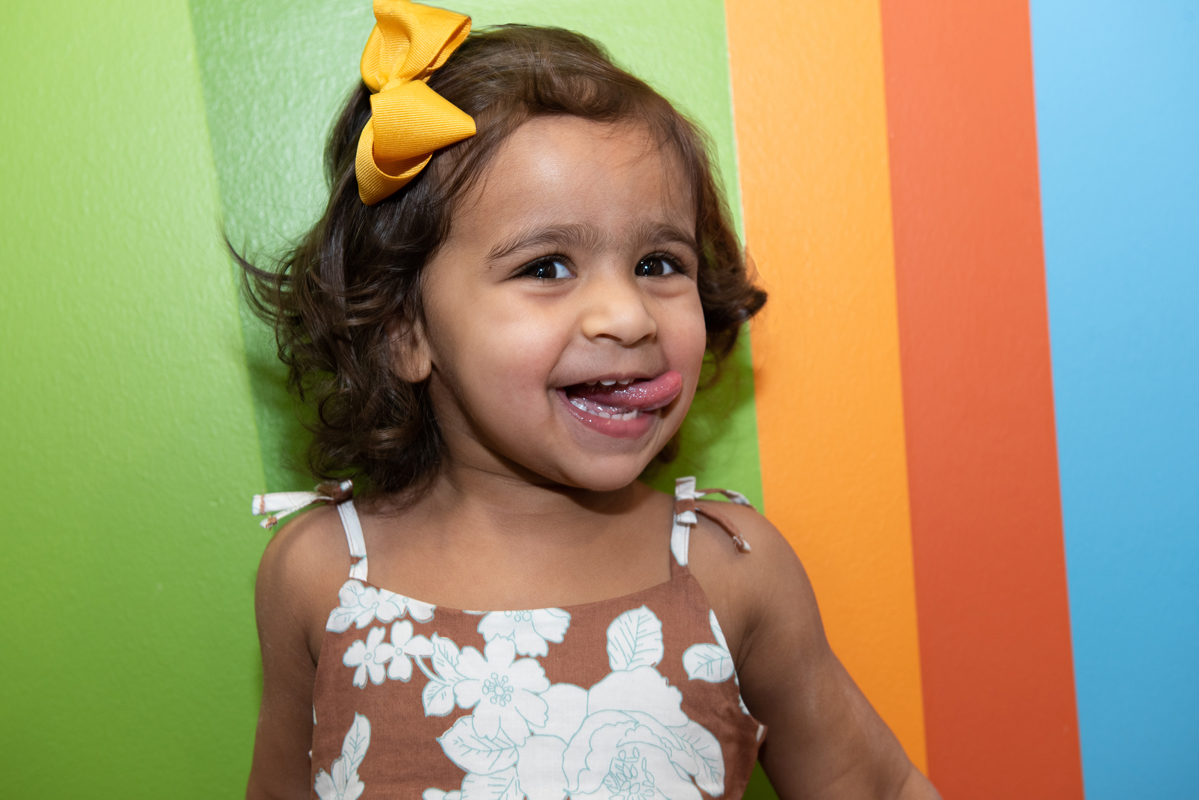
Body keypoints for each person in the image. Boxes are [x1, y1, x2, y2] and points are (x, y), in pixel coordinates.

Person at [241, 2, 941, 798]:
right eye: (545, 267)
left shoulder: (729, 570)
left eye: (657, 264)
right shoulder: (321, 573)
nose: (627, 316)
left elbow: (878, 786)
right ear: (405, 329)